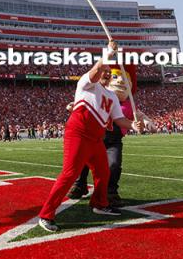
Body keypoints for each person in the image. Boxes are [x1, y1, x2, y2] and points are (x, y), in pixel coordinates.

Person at [38, 41, 144, 233]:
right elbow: (96, 69)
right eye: (104, 71)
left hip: (96, 139)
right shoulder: (86, 84)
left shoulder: (112, 97)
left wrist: (133, 125)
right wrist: (108, 54)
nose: (106, 73)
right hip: (78, 133)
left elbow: (119, 119)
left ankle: (99, 203)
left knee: (103, 172)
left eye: (109, 73)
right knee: (69, 174)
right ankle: (46, 214)